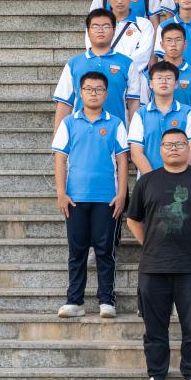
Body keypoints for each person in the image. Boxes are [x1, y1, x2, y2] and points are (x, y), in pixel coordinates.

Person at [127, 128, 191, 380]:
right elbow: (133, 219)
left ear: (189, 148)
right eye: (168, 144)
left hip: (190, 265)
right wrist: (150, 244)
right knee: (154, 327)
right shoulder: (147, 181)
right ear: (160, 149)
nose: (174, 149)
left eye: (180, 144)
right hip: (153, 266)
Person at [51, 71, 129, 320]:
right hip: (75, 198)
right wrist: (61, 193)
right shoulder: (69, 123)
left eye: (99, 89)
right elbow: (60, 159)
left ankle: (107, 300)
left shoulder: (115, 123)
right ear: (80, 92)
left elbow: (122, 160)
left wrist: (122, 194)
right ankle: (74, 301)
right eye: (88, 89)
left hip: (107, 199)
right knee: (77, 252)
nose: (93, 93)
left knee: (105, 251)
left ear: (106, 93)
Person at [53, 9, 141, 132]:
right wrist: (58, 138)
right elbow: (64, 103)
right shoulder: (73, 64)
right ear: (88, 31)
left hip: (116, 134)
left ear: (114, 30)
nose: (100, 30)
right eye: (95, 27)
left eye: (106, 26)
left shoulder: (127, 64)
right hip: (79, 133)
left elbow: (133, 103)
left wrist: (134, 137)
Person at [128, 62, 191, 175]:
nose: (164, 81)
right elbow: (136, 153)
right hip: (149, 179)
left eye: (168, 78)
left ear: (176, 84)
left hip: (182, 178)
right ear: (151, 84)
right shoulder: (140, 114)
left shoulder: (188, 112)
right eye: (159, 78)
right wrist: (154, 179)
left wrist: (173, 175)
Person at [86, 0, 155, 71]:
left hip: (133, 77)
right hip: (103, 76)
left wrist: (118, 70)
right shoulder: (96, 24)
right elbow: (93, 50)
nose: (119, 1)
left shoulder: (144, 25)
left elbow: (142, 55)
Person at [144, 24, 191, 114]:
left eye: (178, 40)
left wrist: (189, 121)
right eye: (169, 40)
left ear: (185, 44)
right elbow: (144, 107)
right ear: (161, 45)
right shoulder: (148, 75)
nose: (173, 44)